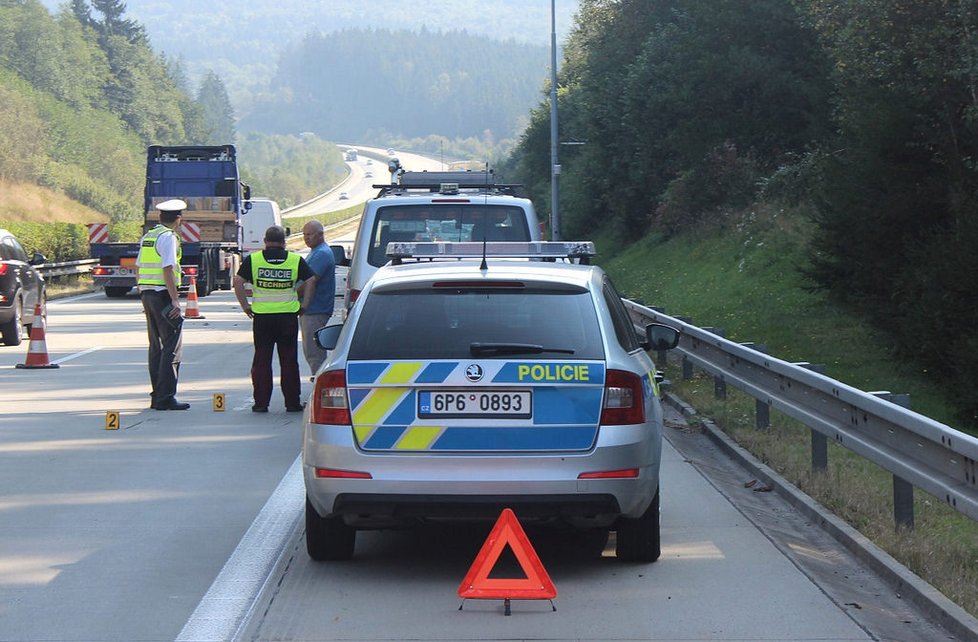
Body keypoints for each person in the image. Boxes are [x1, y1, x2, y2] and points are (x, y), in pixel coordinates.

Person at [233, 225, 316, 413]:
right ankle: (292, 403)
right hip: (287, 317)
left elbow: (238, 281)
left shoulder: (254, 260)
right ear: (284, 242)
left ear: (265, 241)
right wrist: (305, 305)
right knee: (288, 361)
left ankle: (261, 403)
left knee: (262, 361)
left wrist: (245, 305)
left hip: (262, 318)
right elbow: (311, 280)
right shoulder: (295, 260)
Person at [136, 198, 189, 410]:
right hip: (163, 296)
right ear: (178, 219)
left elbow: (138, 267)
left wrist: (142, 294)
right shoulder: (168, 238)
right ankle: (166, 397)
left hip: (148, 294)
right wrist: (175, 300)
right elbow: (168, 268)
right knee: (171, 347)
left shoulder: (148, 236)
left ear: (159, 217)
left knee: (155, 347)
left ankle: (157, 395)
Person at [299, 220, 336, 380]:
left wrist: (291, 294)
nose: (306, 238)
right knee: (312, 353)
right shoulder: (316, 251)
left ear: (320, 235)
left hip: (315, 309)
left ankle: (319, 389)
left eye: (310, 235)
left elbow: (311, 280)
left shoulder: (321, 253)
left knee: (314, 354)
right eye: (304, 235)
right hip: (314, 309)